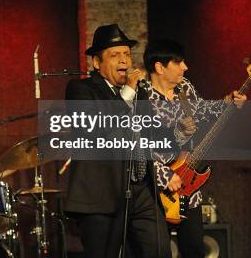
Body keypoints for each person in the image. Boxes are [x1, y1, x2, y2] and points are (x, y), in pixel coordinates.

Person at [64, 23, 172, 258]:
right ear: (97, 62)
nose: (124, 60)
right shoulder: (81, 90)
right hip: (102, 192)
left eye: (126, 54)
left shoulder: (139, 93)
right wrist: (128, 94)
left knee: (160, 250)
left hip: (141, 188)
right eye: (115, 55)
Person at [142, 39, 246, 258]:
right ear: (159, 67)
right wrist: (164, 174)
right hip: (155, 191)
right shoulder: (141, 97)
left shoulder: (184, 88)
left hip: (188, 186)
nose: (185, 67)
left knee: (195, 250)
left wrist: (227, 102)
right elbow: (138, 145)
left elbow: (202, 110)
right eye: (178, 62)